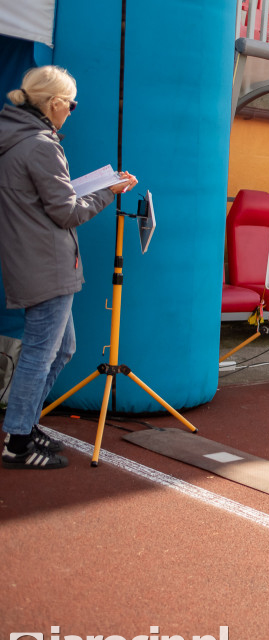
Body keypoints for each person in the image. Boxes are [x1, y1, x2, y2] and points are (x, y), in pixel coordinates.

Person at [0, 66, 137, 469]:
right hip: (47, 263)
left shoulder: (15, 137)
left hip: (33, 258)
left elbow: (46, 199)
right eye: (71, 104)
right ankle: (18, 443)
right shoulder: (41, 144)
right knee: (42, 354)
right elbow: (67, 212)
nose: (73, 111)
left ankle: (25, 423)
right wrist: (108, 193)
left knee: (62, 348)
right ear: (55, 104)